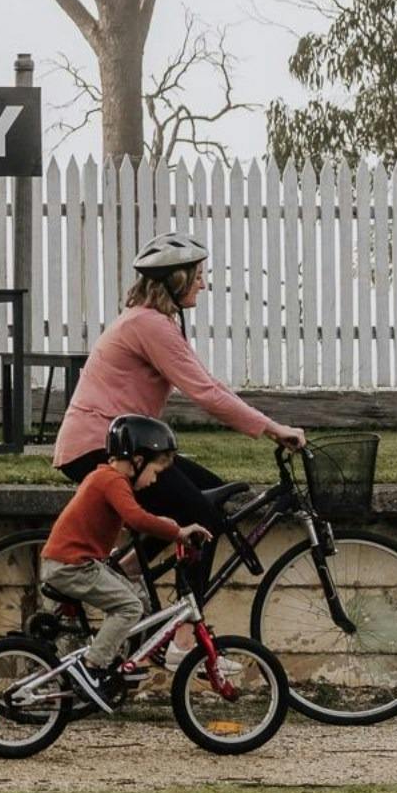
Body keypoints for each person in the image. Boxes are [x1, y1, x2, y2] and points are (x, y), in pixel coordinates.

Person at [54, 231, 307, 574]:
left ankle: (122, 574)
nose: (202, 285)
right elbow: (206, 394)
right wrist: (273, 430)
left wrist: (268, 426)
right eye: (198, 277)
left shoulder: (155, 322)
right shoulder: (149, 325)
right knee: (202, 517)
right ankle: (190, 625)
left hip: (118, 443)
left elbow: (210, 384)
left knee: (212, 497)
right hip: (100, 446)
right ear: (177, 279)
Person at [40, 414, 211, 714]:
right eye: (157, 470)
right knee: (129, 607)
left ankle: (123, 661)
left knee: (138, 593)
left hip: (75, 562)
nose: (156, 480)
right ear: (138, 460)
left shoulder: (106, 478)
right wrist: (177, 531)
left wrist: (166, 522)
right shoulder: (113, 481)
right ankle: (93, 666)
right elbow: (135, 518)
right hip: (72, 566)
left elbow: (131, 516)